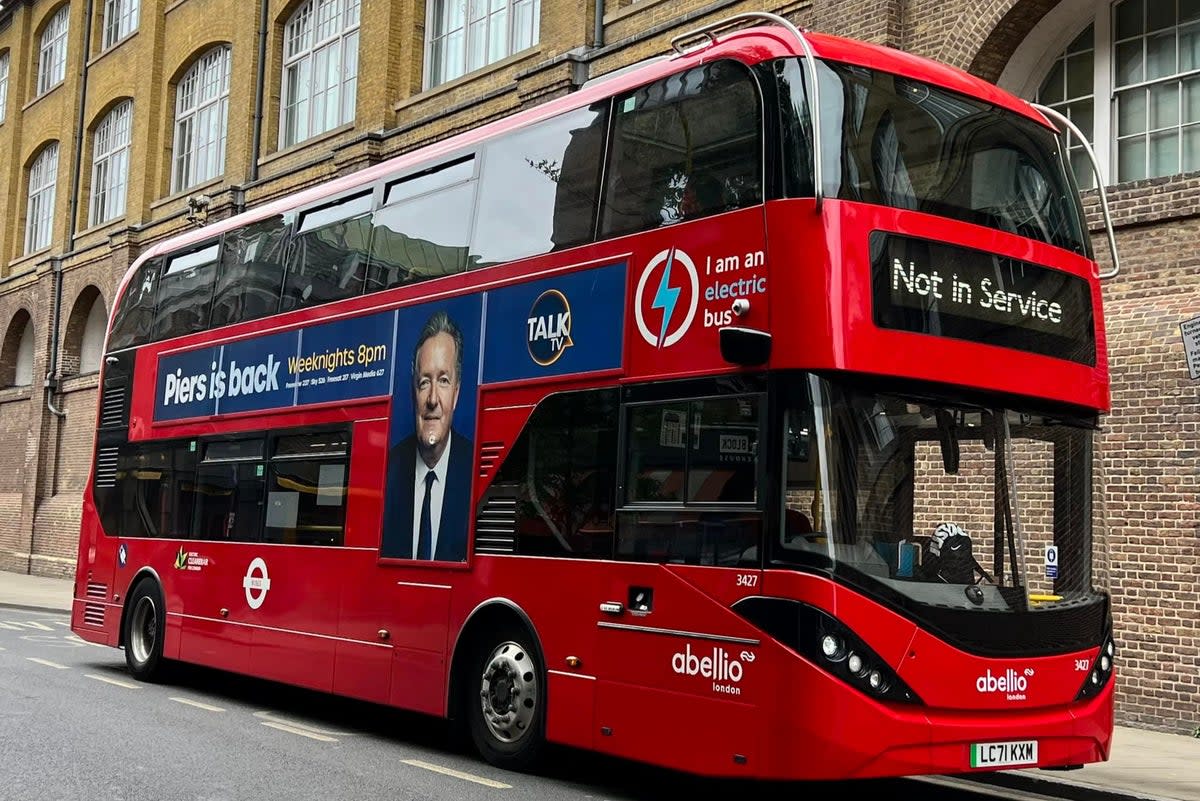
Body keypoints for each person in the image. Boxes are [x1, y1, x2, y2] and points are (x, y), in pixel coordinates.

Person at [381, 310, 474, 561]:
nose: (433, 399)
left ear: (456, 393)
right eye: (424, 382)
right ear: (414, 393)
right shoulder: (387, 471)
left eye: (443, 381)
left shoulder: (475, 470)